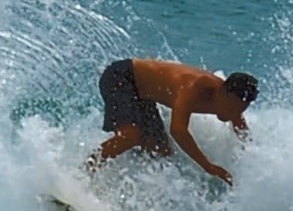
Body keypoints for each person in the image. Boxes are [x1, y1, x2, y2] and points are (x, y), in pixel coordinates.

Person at [88, 58, 258, 186]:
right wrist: (208, 166)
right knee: (130, 135)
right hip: (122, 78)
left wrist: (251, 163)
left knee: (160, 152)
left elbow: (242, 133)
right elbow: (178, 130)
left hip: (144, 97)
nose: (233, 115)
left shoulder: (232, 103)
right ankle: (84, 172)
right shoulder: (196, 86)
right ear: (223, 93)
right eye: (231, 109)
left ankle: (119, 188)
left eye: (239, 111)